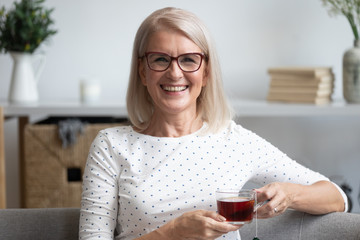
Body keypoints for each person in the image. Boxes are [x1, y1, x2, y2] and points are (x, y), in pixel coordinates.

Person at [79, 7, 347, 240]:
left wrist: (289, 194)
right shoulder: (111, 146)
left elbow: (337, 197)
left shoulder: (235, 141)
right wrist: (173, 234)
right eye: (160, 59)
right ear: (142, 71)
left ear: (206, 72)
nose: (175, 72)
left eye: (188, 60)